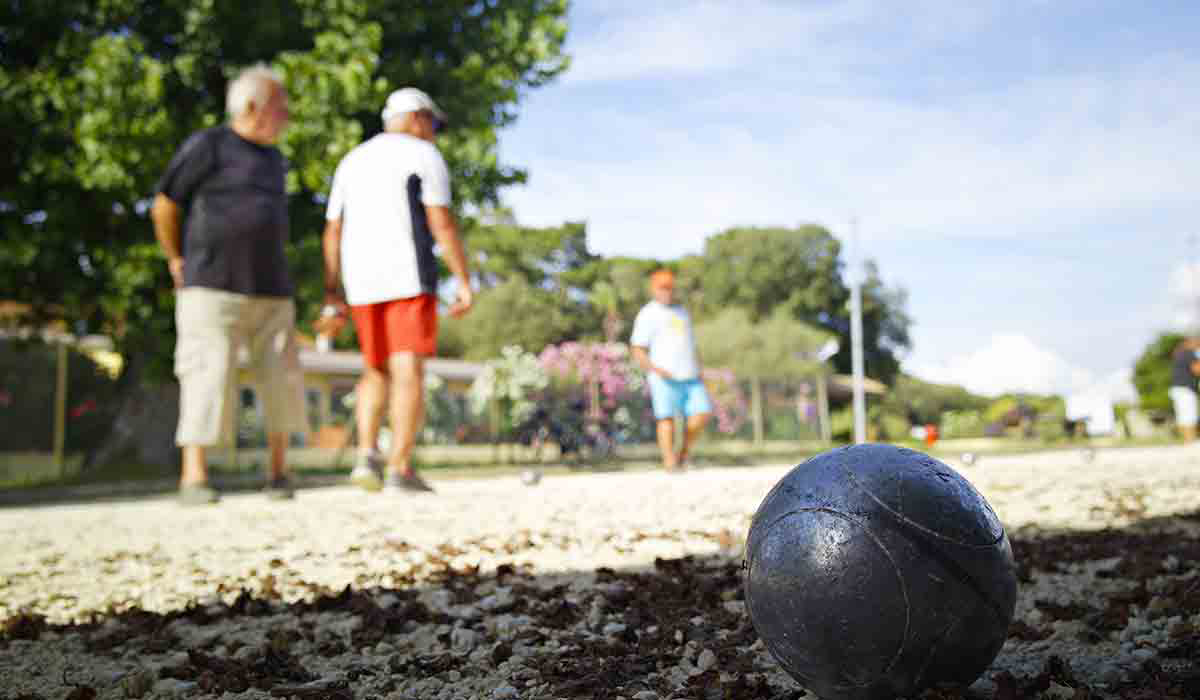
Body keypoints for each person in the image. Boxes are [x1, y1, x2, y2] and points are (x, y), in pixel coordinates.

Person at [150, 64, 304, 504]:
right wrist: (175, 257)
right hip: (211, 285)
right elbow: (165, 203)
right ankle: (193, 477)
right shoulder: (208, 145)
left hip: (272, 287)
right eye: (282, 106)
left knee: (282, 379)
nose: (288, 115)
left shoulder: (276, 159)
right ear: (254, 106)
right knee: (206, 373)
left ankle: (279, 472)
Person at [320, 87, 473, 493]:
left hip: (360, 281)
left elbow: (333, 229)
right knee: (408, 370)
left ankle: (366, 456)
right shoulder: (423, 156)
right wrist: (462, 279)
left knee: (374, 370)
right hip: (407, 276)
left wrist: (332, 292)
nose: (435, 133)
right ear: (417, 118)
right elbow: (440, 222)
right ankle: (399, 468)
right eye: (434, 124)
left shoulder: (351, 160)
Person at [630, 269, 712, 471]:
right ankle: (669, 462)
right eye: (662, 288)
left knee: (702, 413)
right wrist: (655, 369)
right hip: (663, 376)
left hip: (690, 375)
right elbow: (637, 349)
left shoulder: (681, 312)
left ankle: (683, 453)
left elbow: (692, 345)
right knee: (666, 419)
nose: (667, 291)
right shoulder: (648, 313)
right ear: (654, 289)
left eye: (670, 287)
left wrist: (700, 369)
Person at [1168, 337, 1200, 443]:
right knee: (1189, 415)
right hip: (1185, 389)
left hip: (1178, 389)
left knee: (1183, 415)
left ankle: (1188, 440)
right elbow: (1197, 370)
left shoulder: (1180, 354)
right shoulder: (1189, 354)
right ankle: (1190, 440)